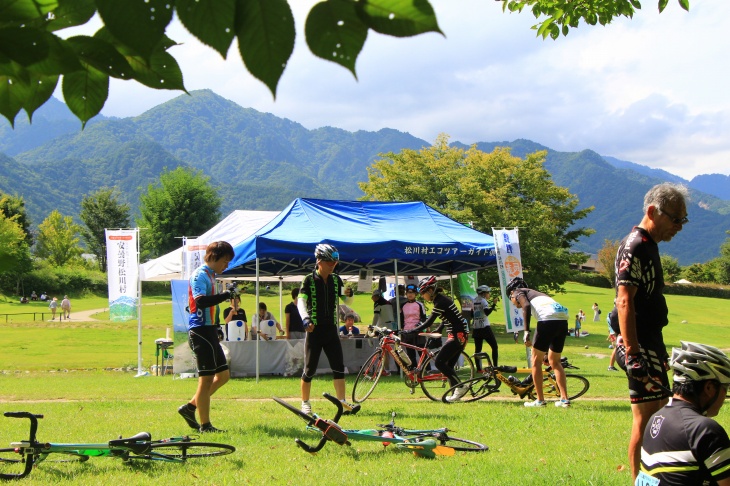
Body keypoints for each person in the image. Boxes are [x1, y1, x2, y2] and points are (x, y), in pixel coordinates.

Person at [615, 182, 688, 480]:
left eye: (683, 220)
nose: (679, 227)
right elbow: (623, 300)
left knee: (658, 417)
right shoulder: (635, 246)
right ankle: (638, 481)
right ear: (652, 211)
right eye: (675, 219)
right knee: (645, 421)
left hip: (651, 343)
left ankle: (653, 477)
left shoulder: (649, 246)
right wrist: (632, 353)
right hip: (639, 346)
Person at [638, 341, 730, 485]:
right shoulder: (705, 430)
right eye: (725, 387)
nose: (725, 396)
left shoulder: (655, 419)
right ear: (709, 388)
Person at [178, 241, 235, 434]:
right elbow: (201, 301)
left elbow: (212, 307)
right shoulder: (200, 275)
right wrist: (224, 295)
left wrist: (217, 326)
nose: (226, 266)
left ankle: (190, 407)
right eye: (225, 261)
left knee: (224, 375)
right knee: (206, 379)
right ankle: (205, 425)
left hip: (209, 329)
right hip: (200, 331)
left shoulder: (212, 276)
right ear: (214, 257)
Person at [298, 243, 359, 415]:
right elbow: (301, 302)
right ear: (319, 261)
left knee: (339, 366)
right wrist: (305, 318)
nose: (333, 265)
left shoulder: (336, 279)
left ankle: (342, 402)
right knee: (309, 368)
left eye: (335, 262)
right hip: (314, 330)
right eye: (329, 262)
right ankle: (305, 402)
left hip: (331, 330)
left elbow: (348, 302)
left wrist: (350, 293)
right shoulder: (308, 279)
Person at [402, 276, 470, 403]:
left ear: (430, 290)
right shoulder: (441, 300)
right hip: (458, 334)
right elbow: (447, 318)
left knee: (439, 362)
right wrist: (439, 329)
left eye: (423, 293)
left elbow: (428, 322)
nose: (422, 296)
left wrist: (412, 330)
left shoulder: (440, 302)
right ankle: (457, 393)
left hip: (458, 335)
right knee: (448, 365)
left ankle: (460, 387)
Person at [506, 276, 571, 408]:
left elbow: (526, 305)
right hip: (563, 320)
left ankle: (540, 401)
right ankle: (564, 400)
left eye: (512, 301)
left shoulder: (517, 292)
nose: (515, 304)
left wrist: (526, 332)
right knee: (555, 361)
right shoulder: (540, 295)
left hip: (547, 319)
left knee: (535, 361)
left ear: (512, 294)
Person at [399, 283, 427, 368]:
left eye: (412, 292)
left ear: (416, 294)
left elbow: (423, 318)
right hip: (407, 331)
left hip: (418, 331)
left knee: (421, 351)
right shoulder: (403, 305)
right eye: (408, 292)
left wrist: (419, 326)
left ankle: (426, 369)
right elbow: (401, 319)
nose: (410, 294)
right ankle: (413, 369)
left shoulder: (419, 304)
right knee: (410, 353)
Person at [472, 285, 498, 370]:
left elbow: (471, 313)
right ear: (483, 293)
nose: (489, 294)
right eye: (488, 292)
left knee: (478, 349)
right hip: (484, 327)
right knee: (494, 346)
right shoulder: (484, 301)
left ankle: (479, 369)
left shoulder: (474, 300)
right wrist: (494, 305)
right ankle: (495, 366)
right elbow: (487, 312)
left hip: (476, 327)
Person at [607, 304, 619, 371]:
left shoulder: (610, 314)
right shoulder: (614, 314)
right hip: (615, 334)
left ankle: (611, 366)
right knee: (616, 348)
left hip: (614, 333)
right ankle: (611, 366)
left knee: (616, 348)